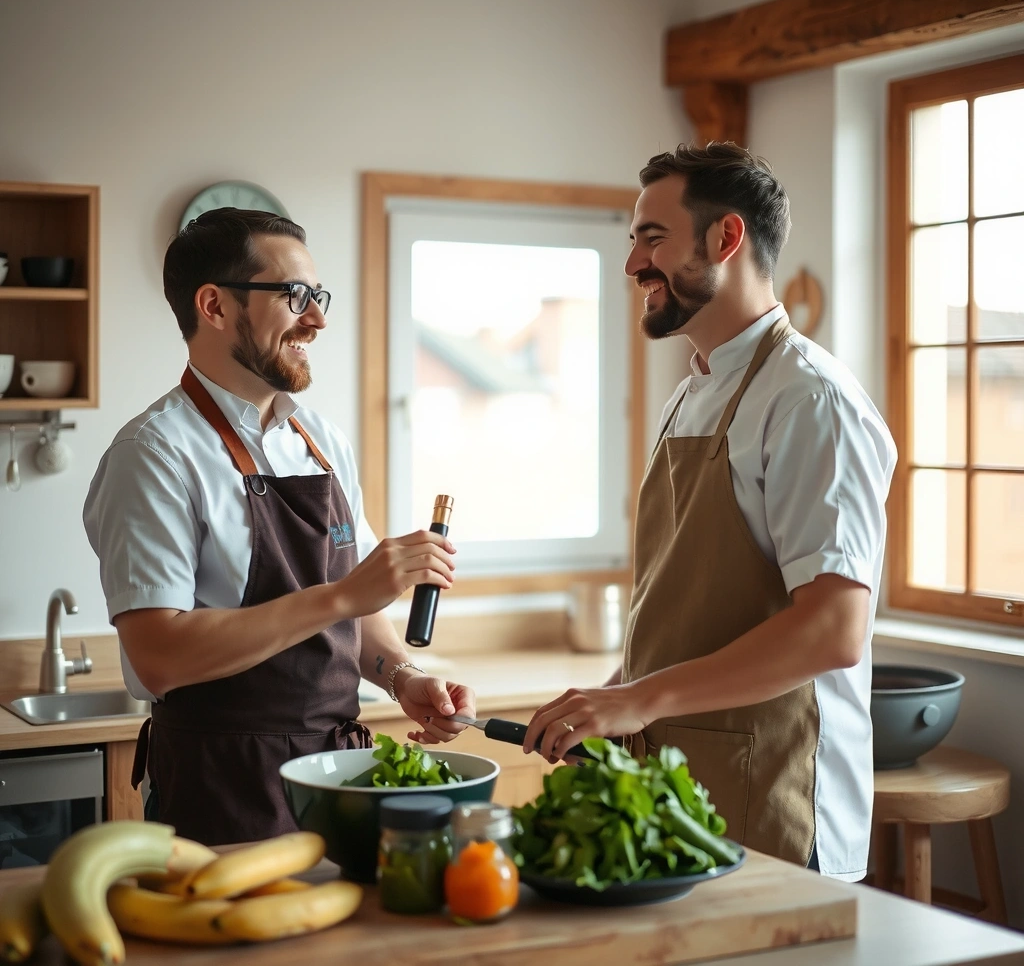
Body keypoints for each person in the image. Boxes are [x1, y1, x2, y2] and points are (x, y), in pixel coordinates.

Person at [523, 142, 896, 881]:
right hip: (684, 788)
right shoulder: (694, 390)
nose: (633, 264)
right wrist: (608, 695)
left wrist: (642, 699)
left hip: (777, 797)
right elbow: (688, 599)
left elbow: (832, 629)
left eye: (651, 238)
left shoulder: (808, 399)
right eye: (633, 241)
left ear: (725, 238)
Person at [84, 208, 475, 846]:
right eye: (294, 296)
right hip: (222, 789)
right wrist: (344, 596)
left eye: (317, 296)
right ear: (213, 304)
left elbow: (356, 614)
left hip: (341, 776)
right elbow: (159, 656)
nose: (317, 319)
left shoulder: (320, 440)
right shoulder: (153, 456)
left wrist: (405, 678)